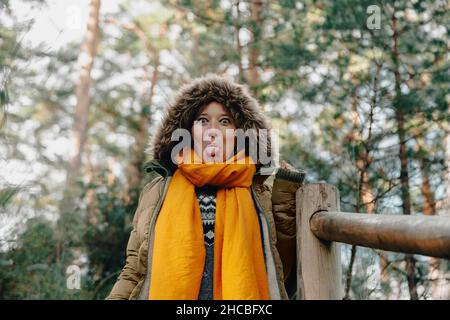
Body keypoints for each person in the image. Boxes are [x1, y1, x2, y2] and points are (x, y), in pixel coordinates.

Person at [106, 74, 305, 300]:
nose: (213, 131)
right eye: (202, 120)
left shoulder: (258, 190)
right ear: (189, 130)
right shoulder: (158, 190)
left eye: (225, 121)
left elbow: (281, 271)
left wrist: (287, 190)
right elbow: (135, 270)